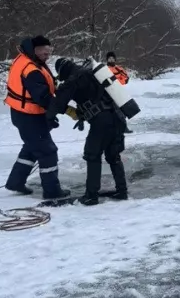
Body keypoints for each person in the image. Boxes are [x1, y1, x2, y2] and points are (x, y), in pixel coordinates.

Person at [48, 58, 128, 206]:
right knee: (113, 155)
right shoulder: (91, 72)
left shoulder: (73, 80)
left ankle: (91, 196)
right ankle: (122, 190)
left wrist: (49, 118)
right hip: (118, 117)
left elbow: (58, 104)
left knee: (92, 155)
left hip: (102, 122)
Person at [3, 35, 70, 199]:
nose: (48, 56)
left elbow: (46, 86)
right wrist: (65, 109)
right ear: (35, 50)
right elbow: (43, 97)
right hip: (28, 116)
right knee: (48, 151)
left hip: (25, 114)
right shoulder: (31, 69)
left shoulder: (28, 60)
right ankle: (52, 191)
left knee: (32, 147)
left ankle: (15, 182)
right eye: (45, 53)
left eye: (49, 52)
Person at [105, 51, 133, 134]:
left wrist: (116, 81)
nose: (111, 60)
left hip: (118, 92)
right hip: (107, 93)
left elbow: (126, 79)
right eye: (109, 58)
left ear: (115, 59)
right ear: (107, 60)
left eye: (112, 58)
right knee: (108, 112)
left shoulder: (119, 69)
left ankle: (123, 127)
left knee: (121, 111)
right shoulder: (104, 69)